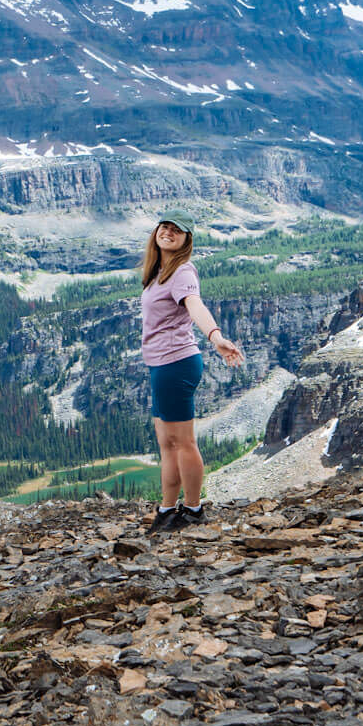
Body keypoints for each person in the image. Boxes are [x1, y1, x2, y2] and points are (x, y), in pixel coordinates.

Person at [138, 212, 245, 533]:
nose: (168, 233)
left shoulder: (182, 272)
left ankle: (194, 510)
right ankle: (168, 509)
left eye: (177, 231)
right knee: (166, 442)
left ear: (186, 240)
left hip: (176, 364)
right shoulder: (159, 271)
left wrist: (215, 337)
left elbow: (194, 304)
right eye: (164, 227)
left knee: (182, 442)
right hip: (162, 365)